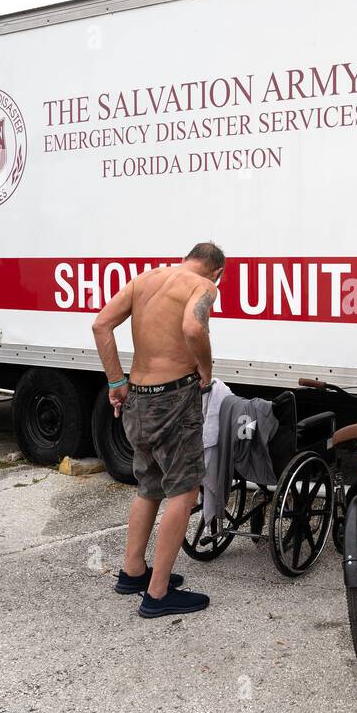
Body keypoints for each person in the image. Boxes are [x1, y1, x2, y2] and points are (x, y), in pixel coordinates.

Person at [91, 242, 225, 617]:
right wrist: (206, 370)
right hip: (174, 398)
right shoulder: (203, 286)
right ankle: (159, 593)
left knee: (149, 484)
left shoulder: (145, 280)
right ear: (217, 272)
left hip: (138, 396)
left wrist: (115, 381)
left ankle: (132, 571)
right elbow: (193, 328)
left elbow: (101, 323)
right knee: (184, 490)